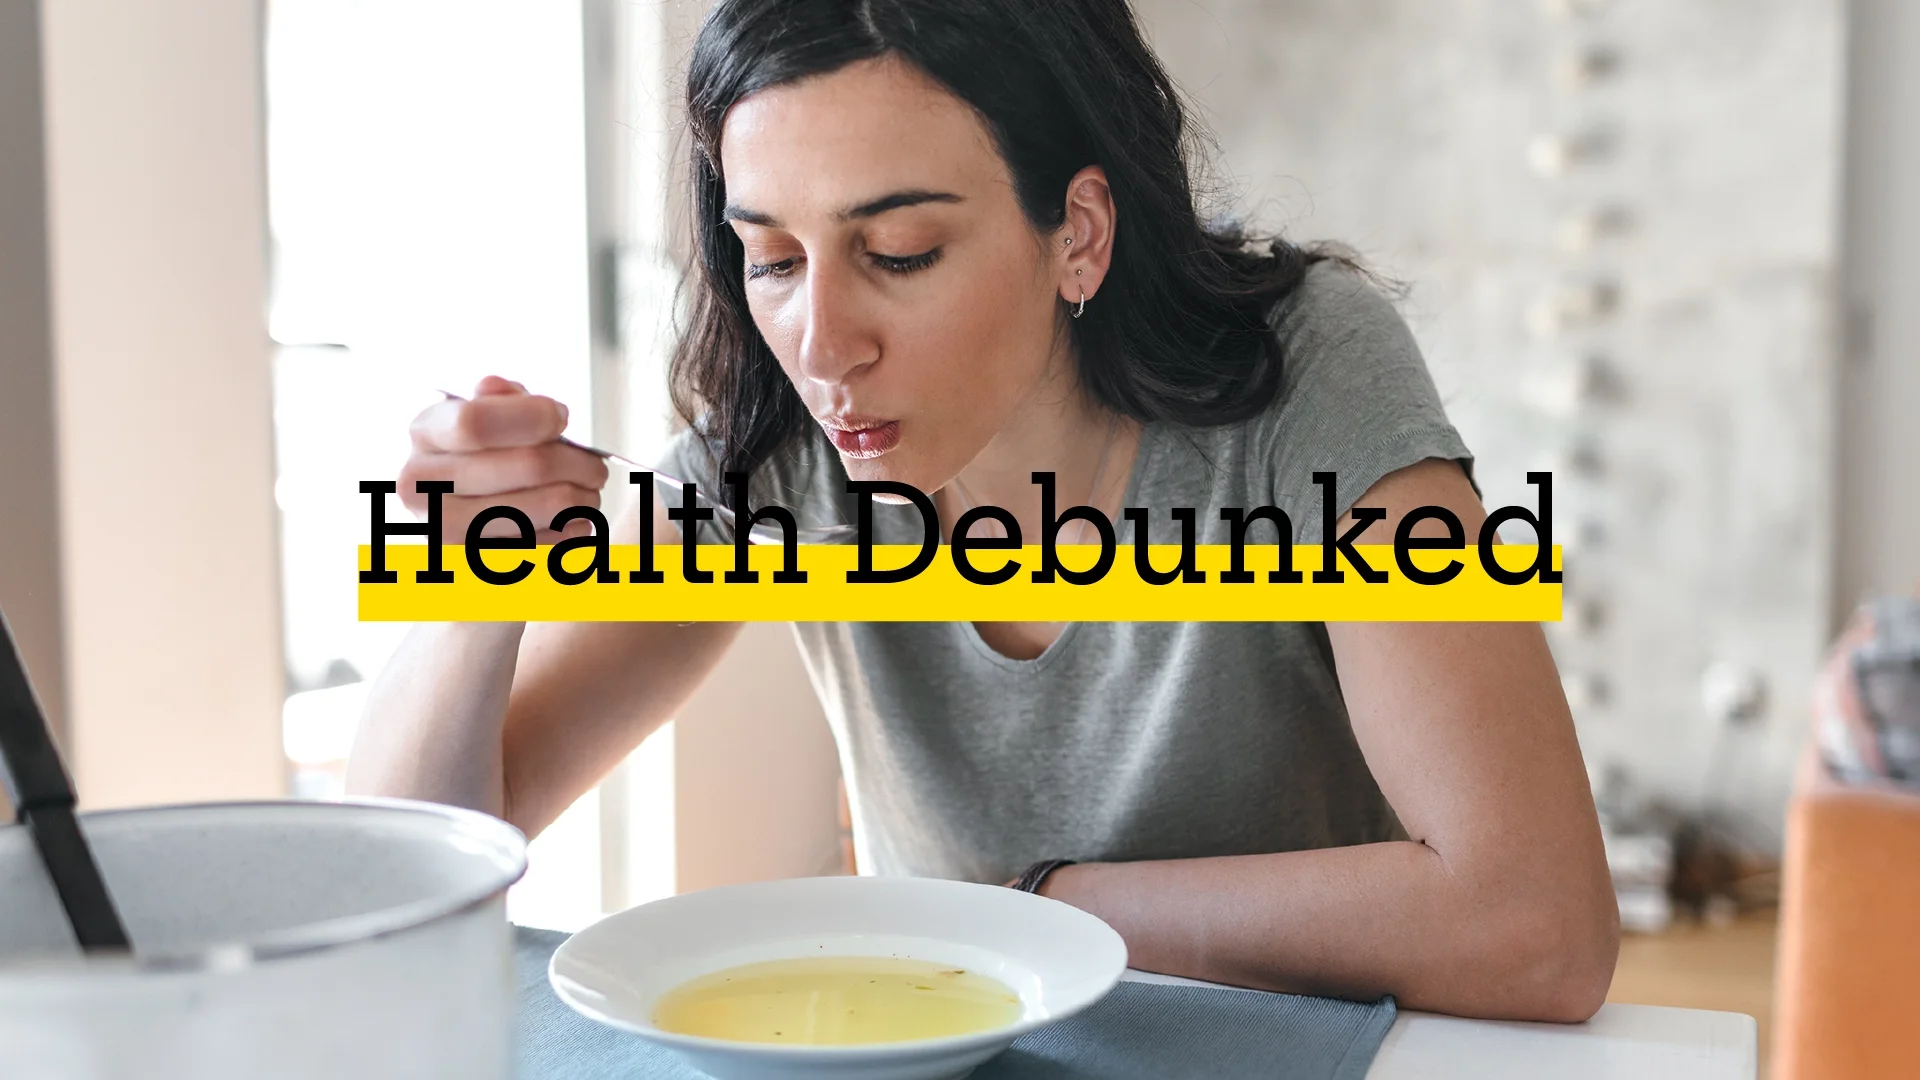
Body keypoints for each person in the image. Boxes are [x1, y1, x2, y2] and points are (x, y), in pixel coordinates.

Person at [348, 0, 1618, 1021]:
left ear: (1077, 232)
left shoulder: (1307, 374)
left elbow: (1535, 925)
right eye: (773, 259)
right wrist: (469, 602)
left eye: (899, 252)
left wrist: (1043, 907)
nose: (822, 344)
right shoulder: (778, 458)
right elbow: (408, 886)